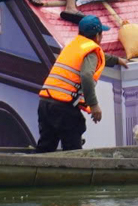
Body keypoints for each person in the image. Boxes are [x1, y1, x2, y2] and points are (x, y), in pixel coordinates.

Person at [34, 14, 109, 152]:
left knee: (45, 149)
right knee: (72, 150)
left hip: (45, 103)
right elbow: (86, 75)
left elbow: (96, 58)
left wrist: (116, 61)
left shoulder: (74, 46)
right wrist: (94, 105)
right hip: (63, 108)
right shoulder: (91, 51)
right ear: (98, 36)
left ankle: (36, 172)